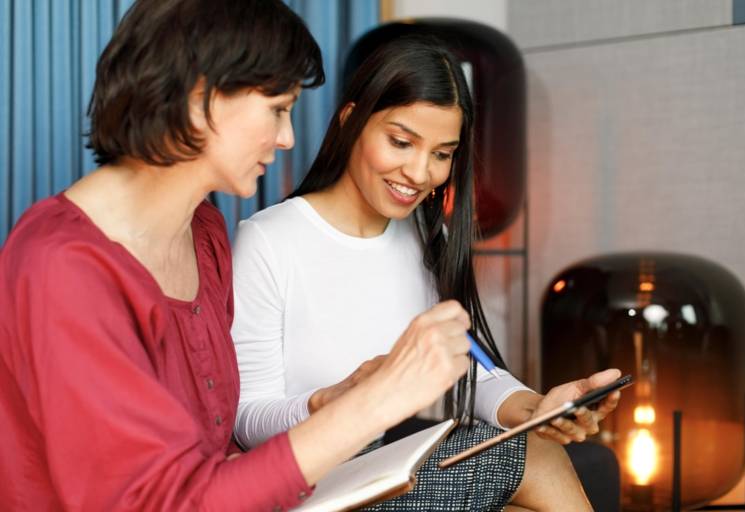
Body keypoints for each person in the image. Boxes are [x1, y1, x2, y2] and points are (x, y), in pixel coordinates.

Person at [0, 3, 474, 510]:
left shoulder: (204, 233)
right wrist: (372, 405)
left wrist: (327, 403)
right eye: (277, 109)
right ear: (201, 98)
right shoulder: (62, 267)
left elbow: (217, 449)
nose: (289, 137)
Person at [232, 35, 622, 511]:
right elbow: (246, 420)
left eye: (442, 154)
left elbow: (472, 368)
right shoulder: (269, 241)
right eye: (401, 142)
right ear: (351, 119)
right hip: (307, 487)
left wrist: (535, 410)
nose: (419, 173)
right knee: (535, 459)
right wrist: (333, 399)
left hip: (384, 470)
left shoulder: (423, 231)